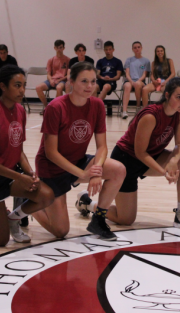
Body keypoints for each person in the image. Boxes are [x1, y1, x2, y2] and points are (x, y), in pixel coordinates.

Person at [84, 77, 180, 231]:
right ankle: (88, 204)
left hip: (151, 157)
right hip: (126, 161)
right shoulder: (151, 116)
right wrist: (163, 171)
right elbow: (140, 152)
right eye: (179, 97)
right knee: (125, 219)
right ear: (167, 95)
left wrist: (174, 160)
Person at [31, 62, 126, 241]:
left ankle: (98, 219)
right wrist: (83, 173)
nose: (90, 86)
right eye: (84, 81)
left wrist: (96, 171)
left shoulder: (97, 105)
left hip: (77, 161)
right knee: (61, 231)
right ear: (71, 82)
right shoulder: (56, 107)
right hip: (52, 169)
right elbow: (51, 152)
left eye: (92, 81)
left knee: (118, 170)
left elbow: (102, 146)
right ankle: (29, 203)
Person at [0, 65, 55, 246]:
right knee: (0, 241)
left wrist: (30, 172)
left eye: (24, 85)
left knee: (46, 195)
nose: (22, 90)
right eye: (17, 85)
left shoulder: (20, 110)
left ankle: (12, 218)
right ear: (3, 86)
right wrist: (19, 176)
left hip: (9, 175)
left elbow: (19, 150)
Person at [35, 40, 70, 115]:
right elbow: (48, 74)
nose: (59, 49)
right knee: (38, 87)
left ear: (63, 48)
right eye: (57, 47)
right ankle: (47, 107)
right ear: (54, 48)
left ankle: (57, 108)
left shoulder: (67, 60)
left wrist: (59, 80)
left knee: (59, 88)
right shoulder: (51, 60)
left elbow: (68, 75)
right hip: (52, 79)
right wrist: (51, 80)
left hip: (62, 80)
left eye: (60, 47)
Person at [122, 41, 151, 119]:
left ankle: (138, 106)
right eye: (135, 48)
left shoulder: (146, 61)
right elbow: (127, 73)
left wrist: (138, 80)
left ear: (141, 48)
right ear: (132, 49)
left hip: (140, 81)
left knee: (138, 84)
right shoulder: (129, 60)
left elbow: (145, 74)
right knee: (127, 86)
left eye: (138, 47)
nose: (137, 49)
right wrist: (131, 81)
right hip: (130, 80)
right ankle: (124, 111)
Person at [96, 41, 123, 115]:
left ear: (113, 50)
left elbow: (118, 76)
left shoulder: (118, 62)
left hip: (111, 81)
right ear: (104, 50)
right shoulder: (100, 61)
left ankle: (96, 107)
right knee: (94, 87)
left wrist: (110, 79)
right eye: (106, 49)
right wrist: (102, 77)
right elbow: (97, 74)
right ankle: (92, 105)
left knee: (106, 87)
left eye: (110, 49)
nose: (108, 51)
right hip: (101, 80)